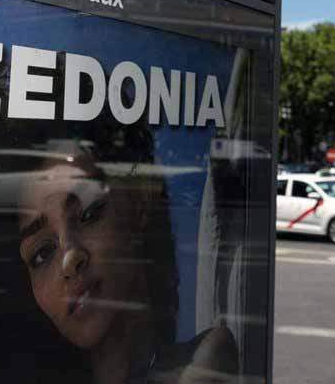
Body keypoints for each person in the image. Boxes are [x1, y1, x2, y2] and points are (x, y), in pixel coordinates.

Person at [16, 142, 238, 384]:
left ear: (138, 203)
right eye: (42, 253)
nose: (70, 259)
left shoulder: (201, 362)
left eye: (88, 214)